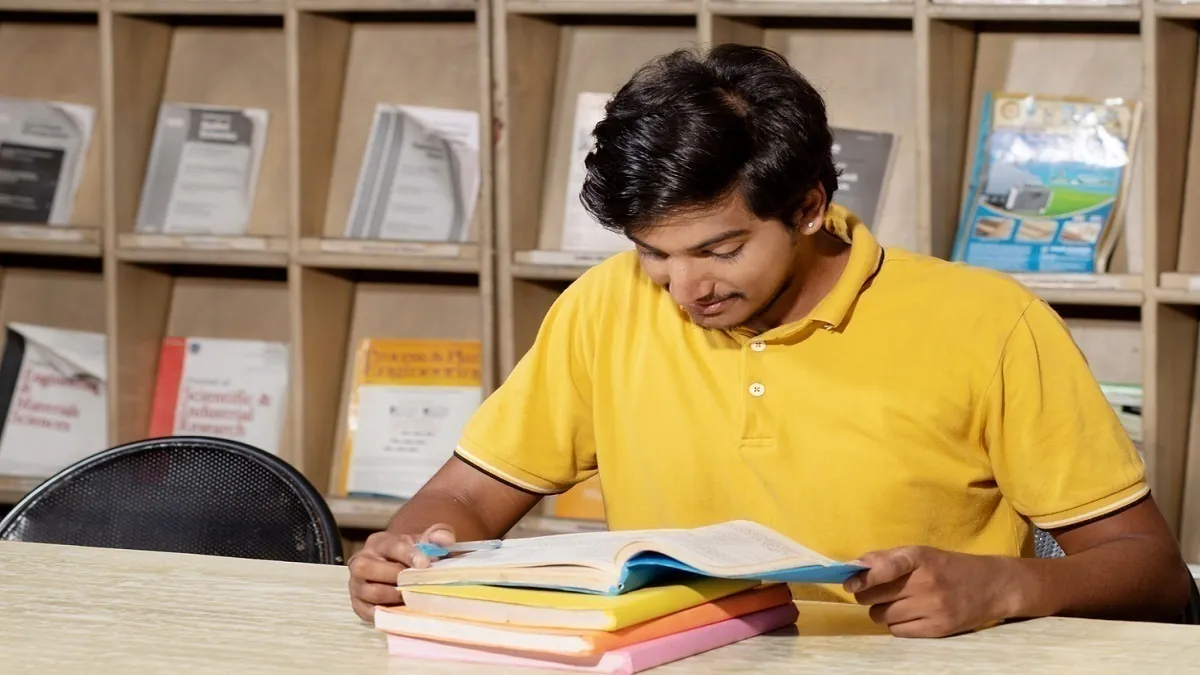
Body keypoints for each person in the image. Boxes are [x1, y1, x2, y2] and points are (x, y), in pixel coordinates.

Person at [347, 44, 1195, 637]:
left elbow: (1153, 575)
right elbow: (462, 497)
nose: (684, 290)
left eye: (719, 251)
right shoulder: (605, 305)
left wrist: (1009, 584)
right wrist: (406, 552)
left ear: (809, 206)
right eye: (653, 253)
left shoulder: (992, 324)